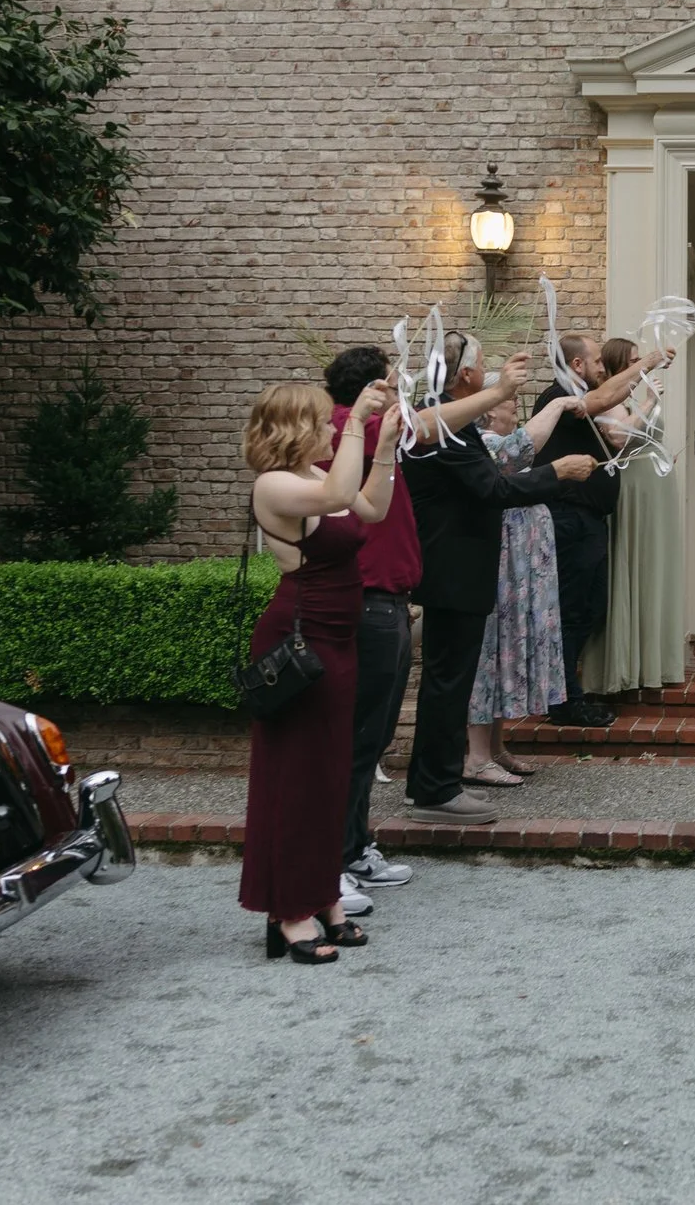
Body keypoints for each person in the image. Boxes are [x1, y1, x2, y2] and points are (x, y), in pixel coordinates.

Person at [239, 376, 401, 964]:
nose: (333, 428)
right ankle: (289, 911)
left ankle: (323, 895)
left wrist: (385, 448)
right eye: (326, 422)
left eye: (338, 423)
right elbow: (339, 498)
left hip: (339, 635)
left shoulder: (312, 477)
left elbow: (371, 508)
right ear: (296, 428)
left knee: (331, 773)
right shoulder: (275, 484)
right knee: (298, 776)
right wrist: (359, 417)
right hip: (299, 639)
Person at [403, 338, 596, 824]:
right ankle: (437, 790)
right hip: (454, 569)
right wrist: (558, 471)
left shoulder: (452, 421)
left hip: (457, 569)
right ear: (465, 375)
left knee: (448, 682)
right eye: (483, 365)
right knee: (450, 684)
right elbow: (492, 487)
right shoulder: (443, 427)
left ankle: (428, 784)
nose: (489, 373)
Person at [320, 346, 428, 915]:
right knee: (359, 737)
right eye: (395, 382)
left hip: (388, 599)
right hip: (366, 601)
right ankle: (335, 858)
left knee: (373, 735)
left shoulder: (370, 433)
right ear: (372, 389)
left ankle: (355, 848)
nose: (402, 392)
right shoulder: (345, 431)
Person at [532, 332, 661, 726]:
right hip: (568, 519)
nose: (603, 368)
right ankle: (563, 703)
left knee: (585, 609)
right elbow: (606, 399)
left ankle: (567, 693)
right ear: (577, 365)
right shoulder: (560, 397)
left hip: (586, 520)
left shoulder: (580, 394)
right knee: (571, 610)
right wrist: (647, 363)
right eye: (597, 362)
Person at [463, 389, 580, 787]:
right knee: (491, 649)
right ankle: (476, 756)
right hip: (501, 565)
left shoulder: (497, 442)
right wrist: (560, 403)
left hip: (521, 566)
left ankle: (495, 749)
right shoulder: (485, 444)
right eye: (506, 397)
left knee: (507, 648)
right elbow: (519, 450)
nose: (514, 401)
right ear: (484, 408)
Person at [591, 337, 690, 694]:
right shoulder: (607, 397)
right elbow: (618, 436)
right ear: (619, 366)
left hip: (655, 488)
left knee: (655, 568)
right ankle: (625, 667)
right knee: (635, 564)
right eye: (634, 360)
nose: (641, 365)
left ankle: (653, 661)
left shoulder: (628, 398)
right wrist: (649, 401)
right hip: (633, 492)